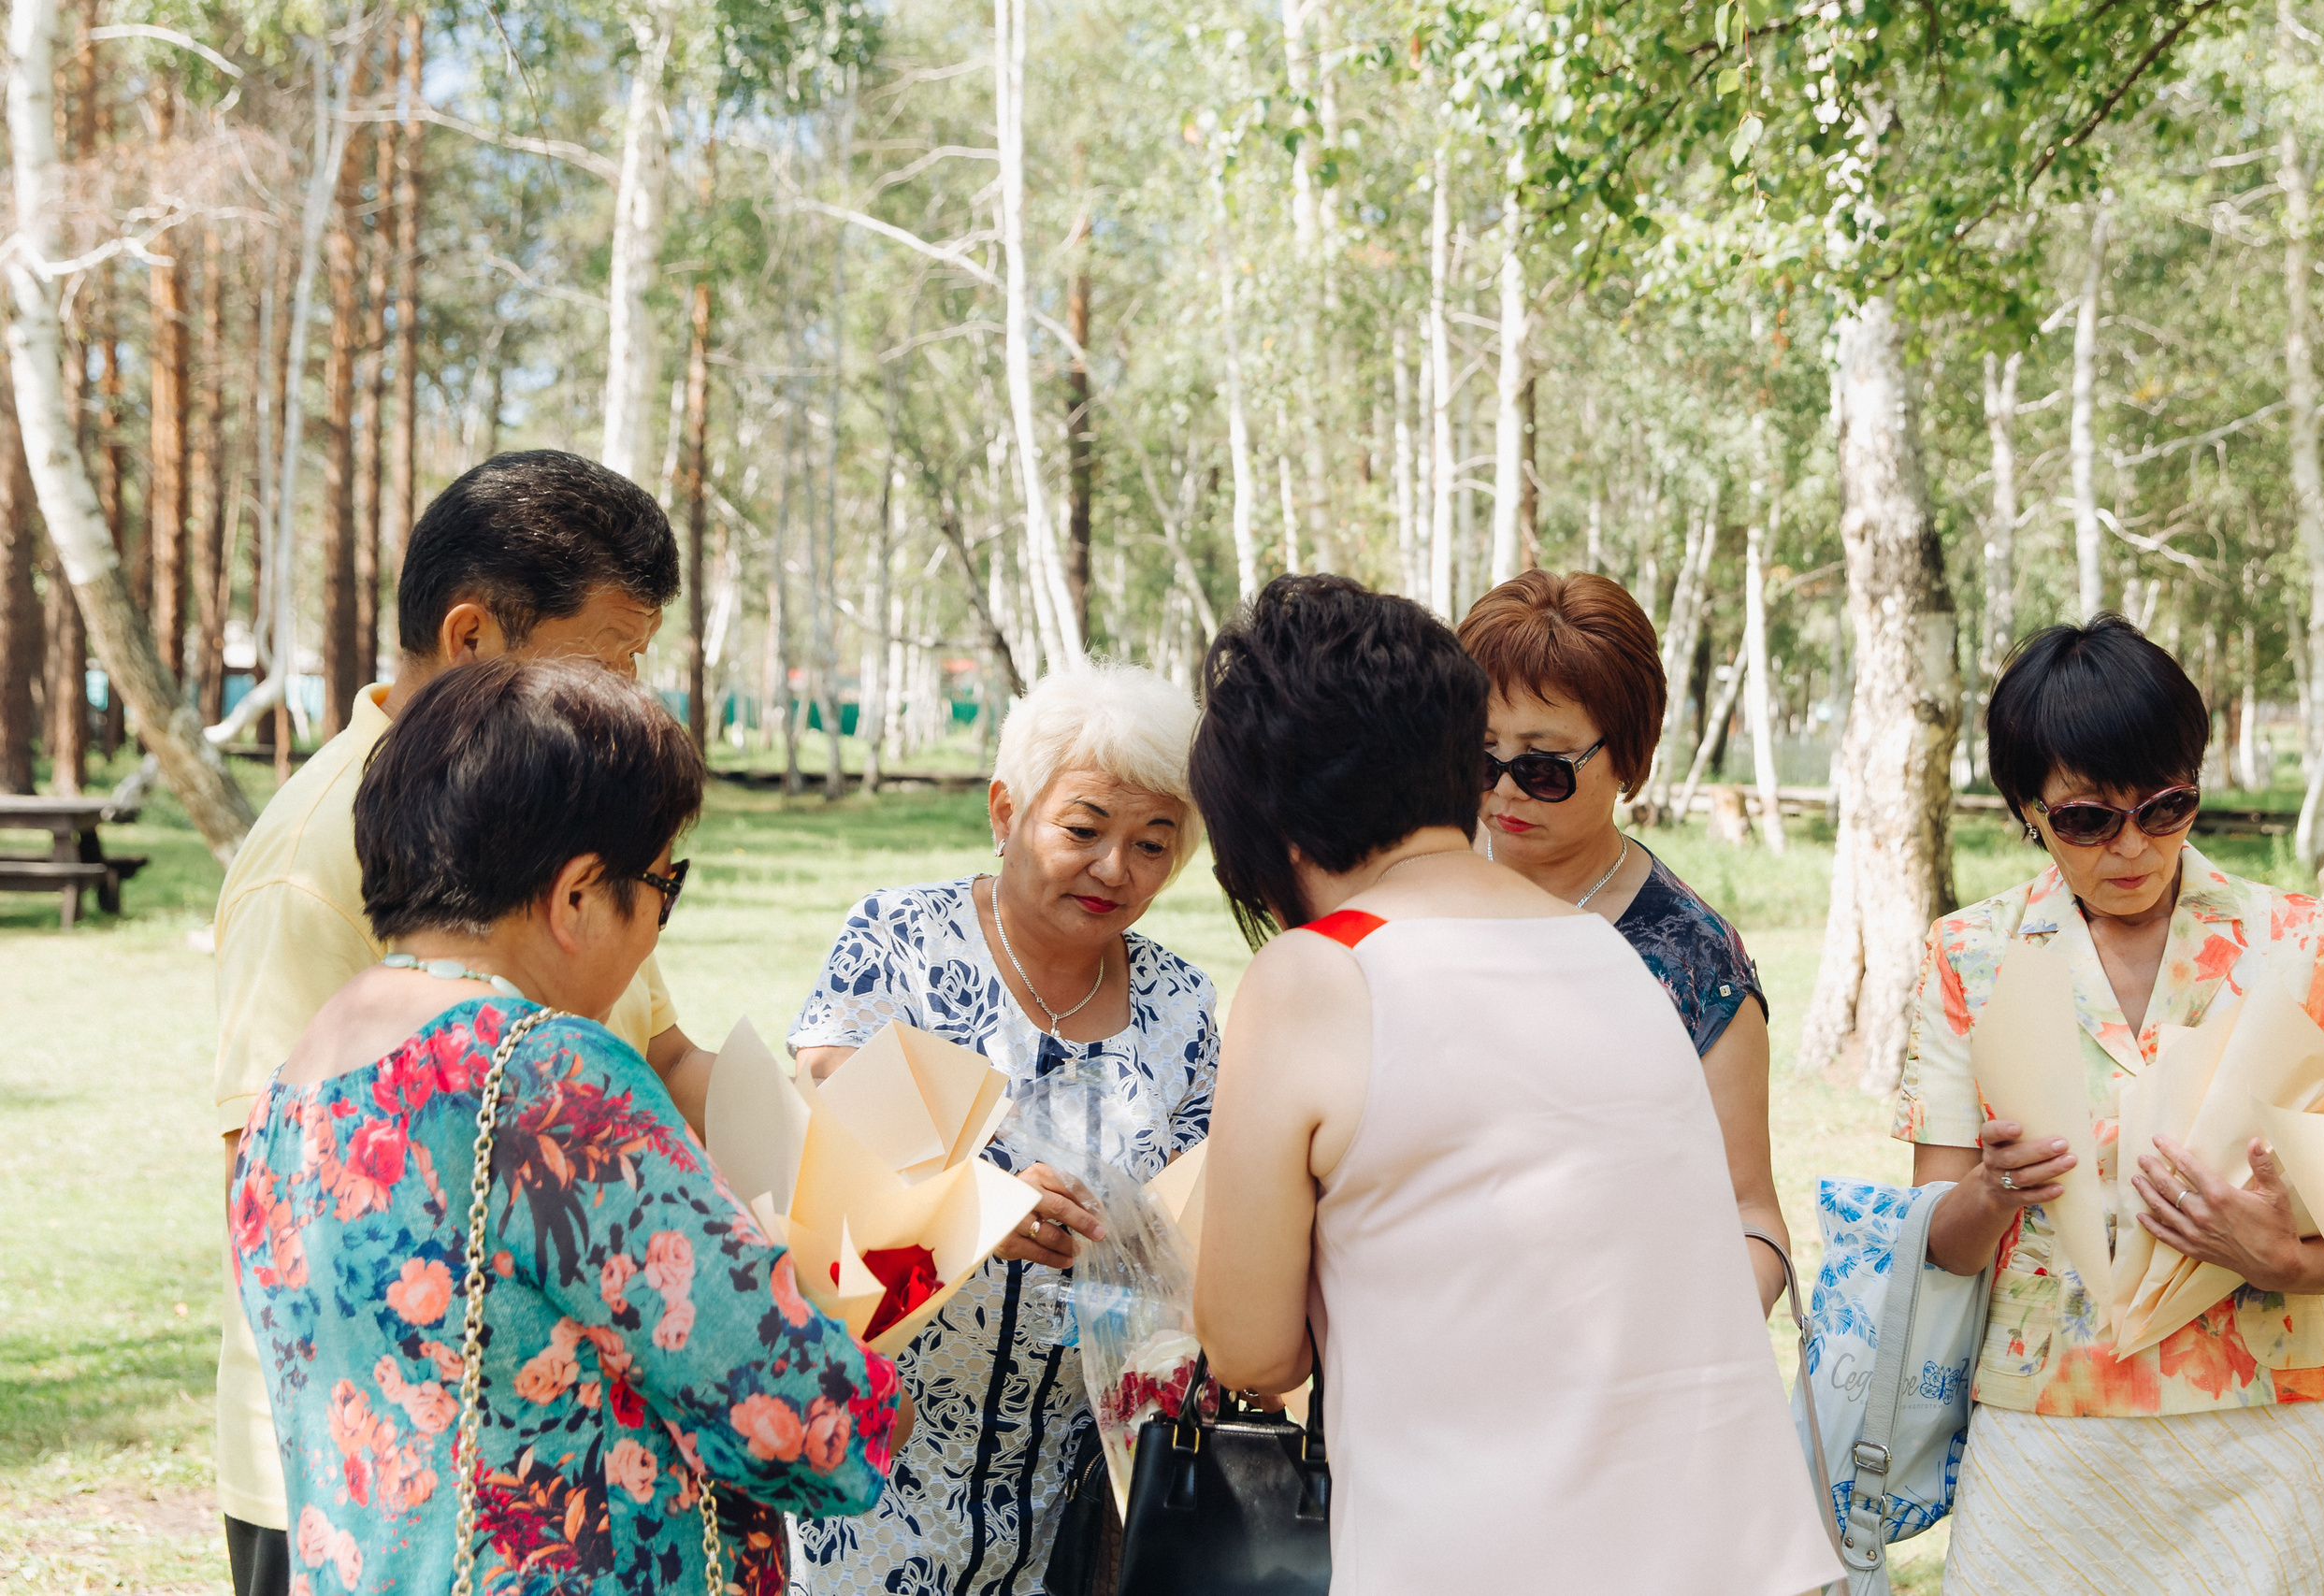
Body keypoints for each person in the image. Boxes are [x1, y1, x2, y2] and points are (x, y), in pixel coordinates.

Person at [1189, 574, 1839, 1596]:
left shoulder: (1316, 975)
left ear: (1277, 829)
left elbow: (1250, 1350)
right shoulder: (1617, 955)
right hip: (1715, 1550)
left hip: (1480, 1551)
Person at [229, 657, 905, 1593]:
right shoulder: (548, 1078)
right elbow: (786, 1402)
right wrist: (877, 1389)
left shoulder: (299, 1081)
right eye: (664, 882)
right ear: (579, 895)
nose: (659, 921)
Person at [209, 451, 716, 1596]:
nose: (631, 694)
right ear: (474, 636)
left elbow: (660, 1052)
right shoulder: (315, 856)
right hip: (367, 1478)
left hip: (547, 1455)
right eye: (606, 660)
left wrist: (867, 1164)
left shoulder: (544, 810)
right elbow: (275, 1183)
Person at [1897, 615, 2324, 1594]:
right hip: (2046, 1433)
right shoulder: (1970, 955)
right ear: (2027, 809)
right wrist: (1995, 1189)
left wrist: (2281, 1256)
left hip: (2268, 1434)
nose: (2132, 846)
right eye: (2088, 819)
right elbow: (1936, 1241)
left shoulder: (2298, 942)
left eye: (2165, 808)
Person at [787, 663, 1217, 1595]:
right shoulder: (902, 939)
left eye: (1153, 843)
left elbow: (1201, 1224)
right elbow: (826, 1145)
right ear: (1006, 809)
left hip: (1079, 1503)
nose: (1116, 869)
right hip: (880, 1480)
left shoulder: (1183, 1004)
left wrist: (1129, 1240)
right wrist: (975, 1204)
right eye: (1083, 829)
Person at [1457, 569, 1790, 1306]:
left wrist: (1698, 1329)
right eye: (1480, 757)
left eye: (1542, 768)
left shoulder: (1694, 957)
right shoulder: (1414, 892)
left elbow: (1750, 1214)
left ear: (1628, 757)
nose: (1504, 789)